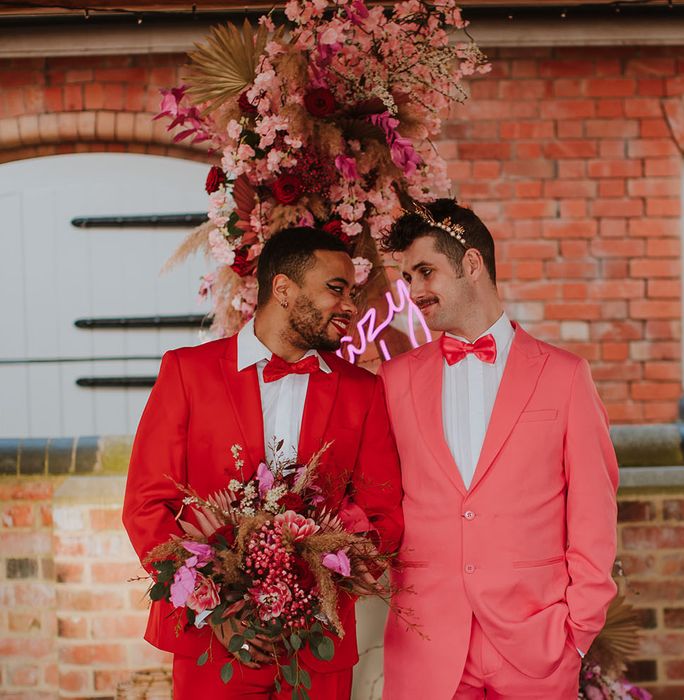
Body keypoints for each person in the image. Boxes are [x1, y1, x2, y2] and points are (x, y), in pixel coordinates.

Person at [122, 226, 403, 699]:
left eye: (352, 293)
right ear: (283, 289)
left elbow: (383, 516)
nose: (351, 307)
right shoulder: (186, 373)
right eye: (336, 289)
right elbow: (147, 504)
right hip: (213, 646)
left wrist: (316, 595)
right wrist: (215, 608)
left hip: (318, 646)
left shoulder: (364, 391)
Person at [378, 200, 618, 699]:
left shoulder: (566, 375)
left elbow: (595, 512)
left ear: (471, 264)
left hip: (538, 643)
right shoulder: (393, 380)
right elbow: (378, 497)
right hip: (427, 644)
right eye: (407, 277)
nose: (413, 291)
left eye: (425, 271)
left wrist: (577, 631)